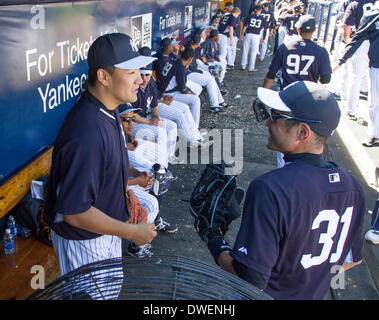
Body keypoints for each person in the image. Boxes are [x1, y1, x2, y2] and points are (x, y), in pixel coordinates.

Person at [199, 81, 365, 300]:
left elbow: (250, 278)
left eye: (276, 116)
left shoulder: (271, 188)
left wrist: (213, 238)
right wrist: (312, 278)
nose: (268, 122)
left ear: (302, 132)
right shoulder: (353, 187)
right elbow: (353, 258)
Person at [43, 33, 158, 276]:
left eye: (139, 71)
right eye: (130, 72)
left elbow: (110, 159)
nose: (140, 79)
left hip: (105, 228)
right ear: (104, 76)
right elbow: (74, 212)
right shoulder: (87, 131)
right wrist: (132, 233)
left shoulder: (109, 107)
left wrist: (135, 173)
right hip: (83, 238)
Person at [333, 2, 379, 147]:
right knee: (374, 102)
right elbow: (357, 39)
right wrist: (340, 61)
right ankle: (374, 134)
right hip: (376, 65)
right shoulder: (372, 15)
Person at [130, 53, 180, 165]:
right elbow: (130, 115)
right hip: (132, 124)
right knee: (160, 133)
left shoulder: (150, 83)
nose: (144, 78)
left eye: (147, 75)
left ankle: (168, 156)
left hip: (145, 118)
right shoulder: (132, 88)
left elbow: (154, 105)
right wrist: (150, 121)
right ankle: (161, 166)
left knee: (172, 126)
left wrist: (156, 118)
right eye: (141, 75)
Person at [263, 14, 332, 90]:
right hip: (308, 94)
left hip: (287, 93)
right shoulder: (321, 51)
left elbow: (271, 75)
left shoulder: (285, 47)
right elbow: (325, 79)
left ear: (298, 29)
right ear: (314, 30)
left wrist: (262, 94)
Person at [341, 0, 375, 122]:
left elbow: (347, 29)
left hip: (360, 42)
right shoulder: (376, 3)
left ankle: (351, 109)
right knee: (373, 78)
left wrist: (347, 43)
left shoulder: (355, 4)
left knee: (355, 77)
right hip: (374, 42)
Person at [185, 34, 231, 113]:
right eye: (199, 43)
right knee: (209, 80)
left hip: (193, 71)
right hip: (187, 74)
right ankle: (214, 106)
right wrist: (196, 70)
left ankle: (220, 101)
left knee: (211, 76)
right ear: (196, 43)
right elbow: (187, 67)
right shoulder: (188, 50)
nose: (199, 44)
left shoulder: (192, 48)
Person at [241, 4, 268, 72]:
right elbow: (265, 30)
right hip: (256, 35)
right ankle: (251, 67)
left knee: (245, 50)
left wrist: (242, 34)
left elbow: (244, 26)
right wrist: (263, 38)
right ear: (261, 10)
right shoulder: (263, 18)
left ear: (255, 10)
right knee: (254, 51)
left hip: (248, 34)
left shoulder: (250, 16)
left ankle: (243, 65)